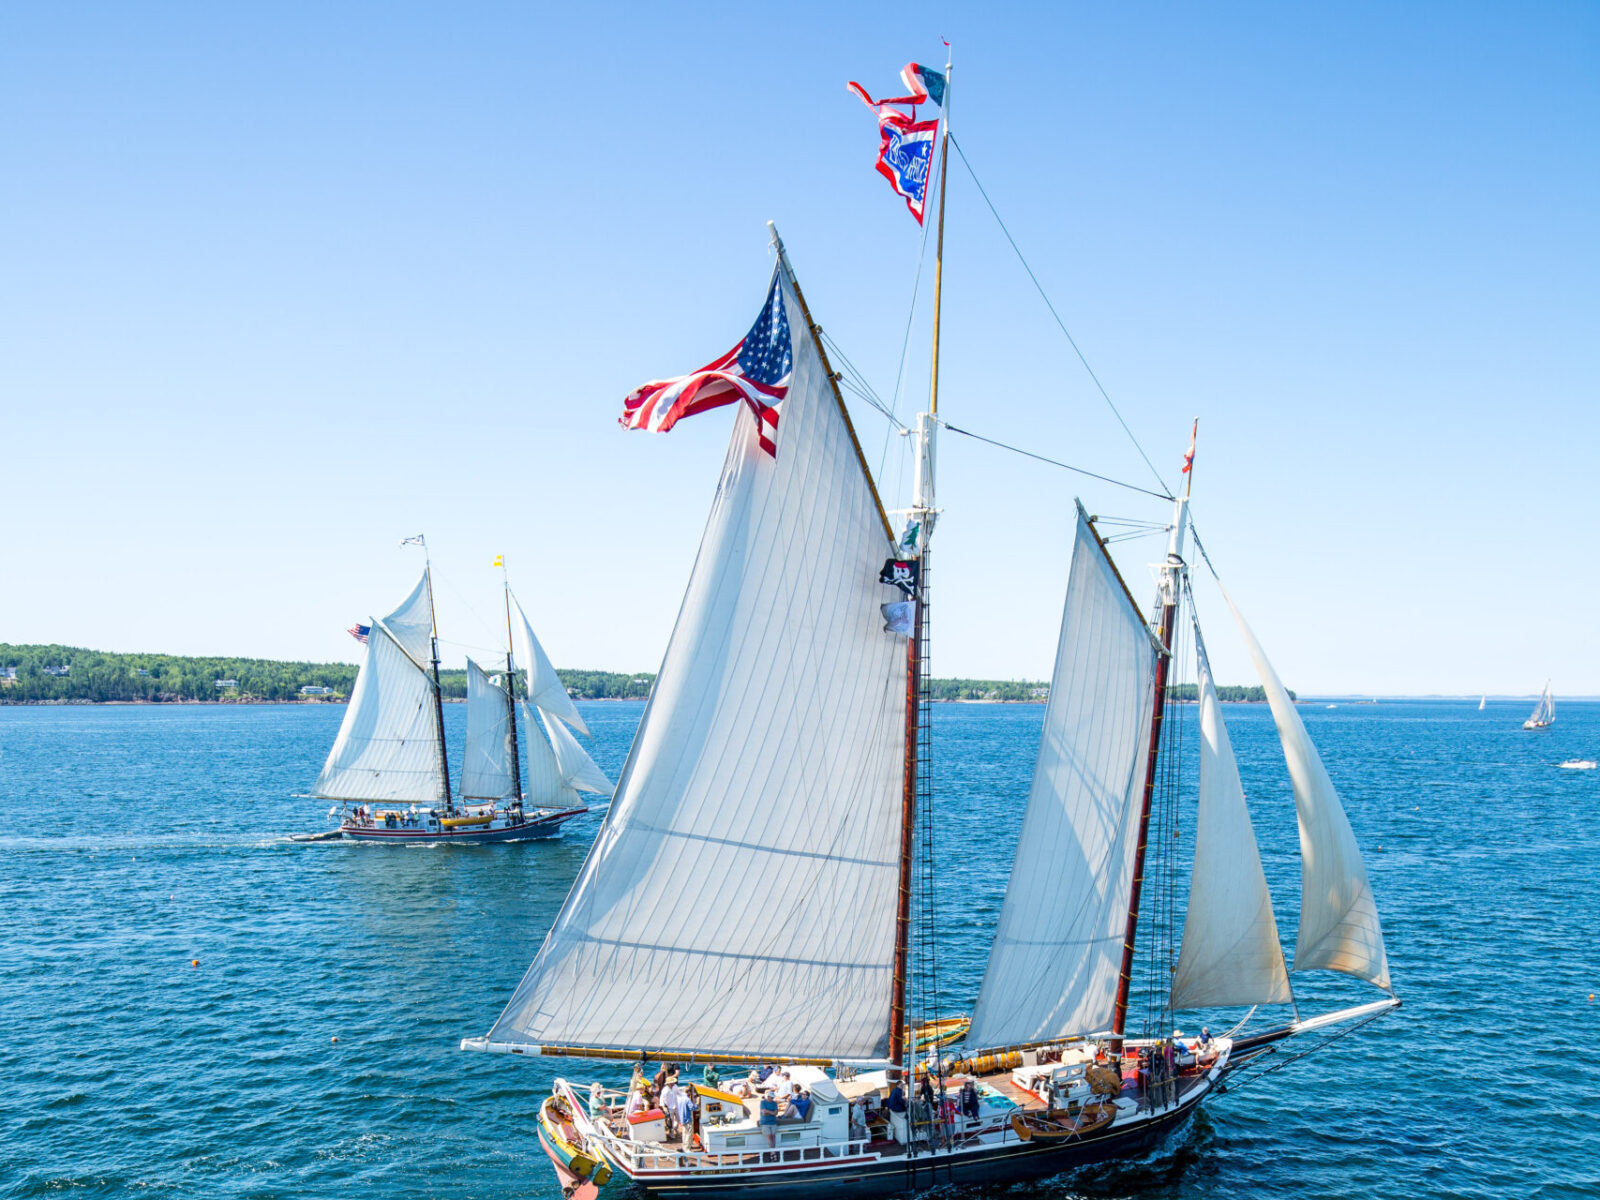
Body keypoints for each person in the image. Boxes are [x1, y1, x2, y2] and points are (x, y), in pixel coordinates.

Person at [885, 1080, 908, 1145]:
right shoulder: (899, 1091)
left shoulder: (894, 1090)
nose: (902, 1086)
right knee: (906, 1109)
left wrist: (888, 1106)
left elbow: (890, 1099)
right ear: (898, 1085)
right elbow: (900, 1100)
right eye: (901, 1085)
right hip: (896, 1108)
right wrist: (905, 1102)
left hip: (892, 1107)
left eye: (903, 1085)